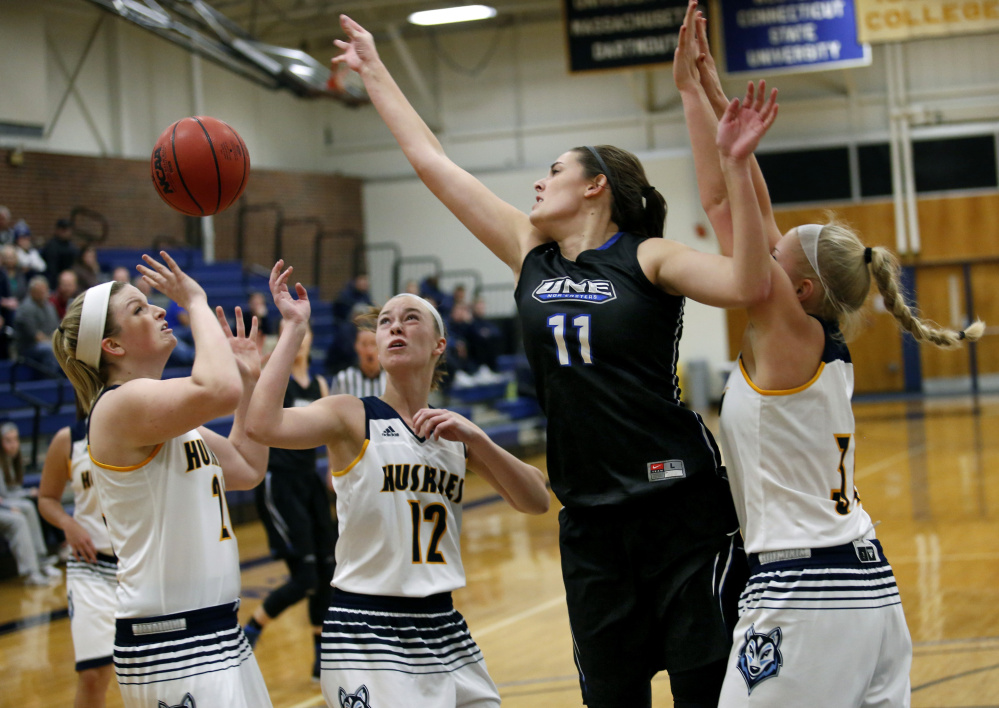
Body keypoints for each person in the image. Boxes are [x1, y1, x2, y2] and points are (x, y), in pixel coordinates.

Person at [332, 15, 775, 707]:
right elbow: (432, 163)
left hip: (681, 511)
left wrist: (738, 164)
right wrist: (374, 69)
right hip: (591, 524)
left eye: (554, 171)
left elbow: (749, 285)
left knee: (705, 697)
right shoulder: (526, 255)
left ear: (595, 186)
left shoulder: (646, 255)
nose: (538, 184)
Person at [674, 5, 984, 704]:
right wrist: (708, 99)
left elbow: (728, 204)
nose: (762, 249)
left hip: (807, 592)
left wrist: (713, 124)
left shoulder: (784, 333)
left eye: (775, 252)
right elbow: (737, 204)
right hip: (867, 591)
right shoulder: (810, 340)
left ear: (799, 285)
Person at [244, 261, 550, 708]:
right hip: (367, 627)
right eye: (385, 321)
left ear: (439, 345)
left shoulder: (452, 432)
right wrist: (292, 329)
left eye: (410, 318)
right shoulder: (351, 413)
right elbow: (262, 425)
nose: (394, 327)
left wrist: (477, 437)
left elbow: (537, 499)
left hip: (444, 626)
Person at [50, 252, 272, 708]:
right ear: (112, 346)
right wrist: (194, 299)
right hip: (172, 641)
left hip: (218, 633)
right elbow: (217, 389)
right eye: (138, 308)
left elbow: (248, 469)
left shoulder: (171, 420)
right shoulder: (115, 407)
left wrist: (250, 381)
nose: (156, 309)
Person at [242, 318, 337, 681]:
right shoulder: (275, 380)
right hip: (279, 483)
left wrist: (334, 468)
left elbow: (330, 431)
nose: (296, 342)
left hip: (309, 482)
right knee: (305, 577)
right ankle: (252, 628)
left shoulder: (320, 383)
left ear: (310, 339)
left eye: (302, 335)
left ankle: (320, 658)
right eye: (288, 337)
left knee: (327, 574)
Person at [37, 416, 118, 707]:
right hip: (90, 566)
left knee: (150, 669)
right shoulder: (68, 438)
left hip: (138, 566)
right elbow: (47, 497)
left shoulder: (141, 423)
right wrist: (67, 524)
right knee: (93, 674)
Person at [0, 422, 62, 586]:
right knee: (18, 519)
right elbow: (4, 496)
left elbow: (10, 492)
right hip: (3, 505)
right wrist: (7, 506)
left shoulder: (12, 461)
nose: (13, 445)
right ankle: (31, 572)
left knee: (28, 506)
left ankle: (42, 560)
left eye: (15, 440)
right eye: (8, 440)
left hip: (4, 503)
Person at [14, 275, 60, 372]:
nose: (43, 293)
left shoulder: (50, 306)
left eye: (44, 290)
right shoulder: (25, 309)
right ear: (32, 292)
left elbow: (57, 329)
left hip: (48, 341)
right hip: (29, 347)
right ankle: (51, 381)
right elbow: (36, 336)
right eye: (40, 291)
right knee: (50, 350)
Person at [330, 322, 386, 397]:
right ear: (356, 346)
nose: (369, 350)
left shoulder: (393, 379)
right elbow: (333, 408)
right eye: (364, 344)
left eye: (373, 344)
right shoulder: (343, 379)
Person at [41, 218, 79, 290]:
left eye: (68, 230)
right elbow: (52, 269)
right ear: (58, 230)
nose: (67, 233)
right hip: (54, 282)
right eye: (64, 230)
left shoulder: (71, 246)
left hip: (68, 279)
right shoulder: (51, 246)